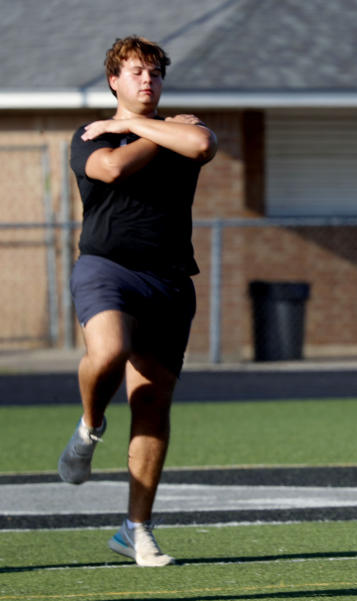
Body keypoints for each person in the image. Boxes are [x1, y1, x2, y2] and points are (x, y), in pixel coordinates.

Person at [58, 36, 217, 567]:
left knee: (151, 403)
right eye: (134, 73)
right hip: (107, 268)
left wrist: (133, 125)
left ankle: (135, 528)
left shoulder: (187, 130)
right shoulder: (89, 136)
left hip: (170, 280)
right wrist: (154, 131)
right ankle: (90, 425)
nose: (146, 80)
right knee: (106, 353)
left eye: (154, 73)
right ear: (114, 81)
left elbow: (199, 146)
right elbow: (110, 170)